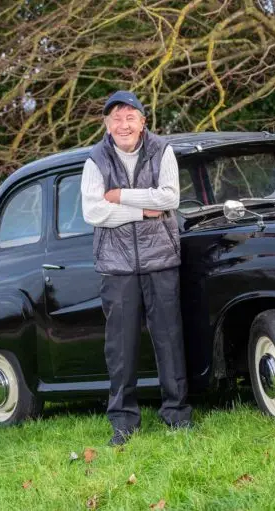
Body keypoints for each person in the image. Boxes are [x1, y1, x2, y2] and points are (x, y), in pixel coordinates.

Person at [81, 90, 192, 446]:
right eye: (116, 118)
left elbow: (170, 197)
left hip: (161, 258)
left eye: (130, 117)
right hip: (116, 266)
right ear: (106, 124)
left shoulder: (163, 150)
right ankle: (123, 422)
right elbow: (94, 212)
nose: (123, 124)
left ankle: (177, 415)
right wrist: (142, 209)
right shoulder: (95, 159)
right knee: (120, 347)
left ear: (143, 122)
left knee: (169, 339)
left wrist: (121, 196)